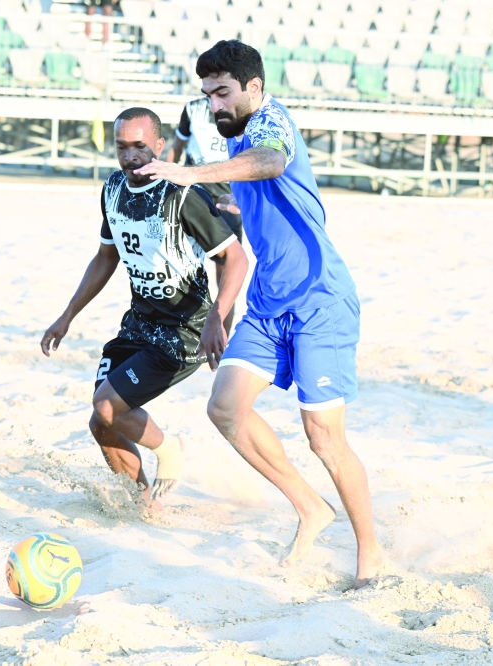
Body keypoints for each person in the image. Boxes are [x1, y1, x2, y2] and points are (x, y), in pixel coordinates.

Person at [136, 40, 381, 586]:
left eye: (223, 92)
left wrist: (192, 175)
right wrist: (232, 204)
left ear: (253, 87)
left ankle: (371, 555)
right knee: (225, 408)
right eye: (206, 97)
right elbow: (261, 194)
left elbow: (270, 161)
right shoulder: (242, 136)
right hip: (269, 305)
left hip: (319, 301)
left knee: (324, 438)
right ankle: (311, 507)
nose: (215, 105)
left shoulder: (272, 122)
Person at [41, 107, 248, 502]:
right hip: (139, 323)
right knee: (102, 423)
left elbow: (235, 258)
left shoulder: (181, 195)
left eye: (139, 146)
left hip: (184, 330)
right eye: (122, 147)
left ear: (160, 146)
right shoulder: (114, 189)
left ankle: (170, 451)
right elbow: (106, 257)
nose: (131, 155)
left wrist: (219, 318)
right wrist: (66, 317)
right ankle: (140, 504)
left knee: (107, 405)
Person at [165, 96, 243, 334]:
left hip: (225, 198)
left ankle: (221, 341)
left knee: (226, 277)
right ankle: (178, 333)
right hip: (191, 195)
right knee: (180, 271)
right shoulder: (193, 108)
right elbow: (176, 148)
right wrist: (165, 180)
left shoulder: (240, 109)